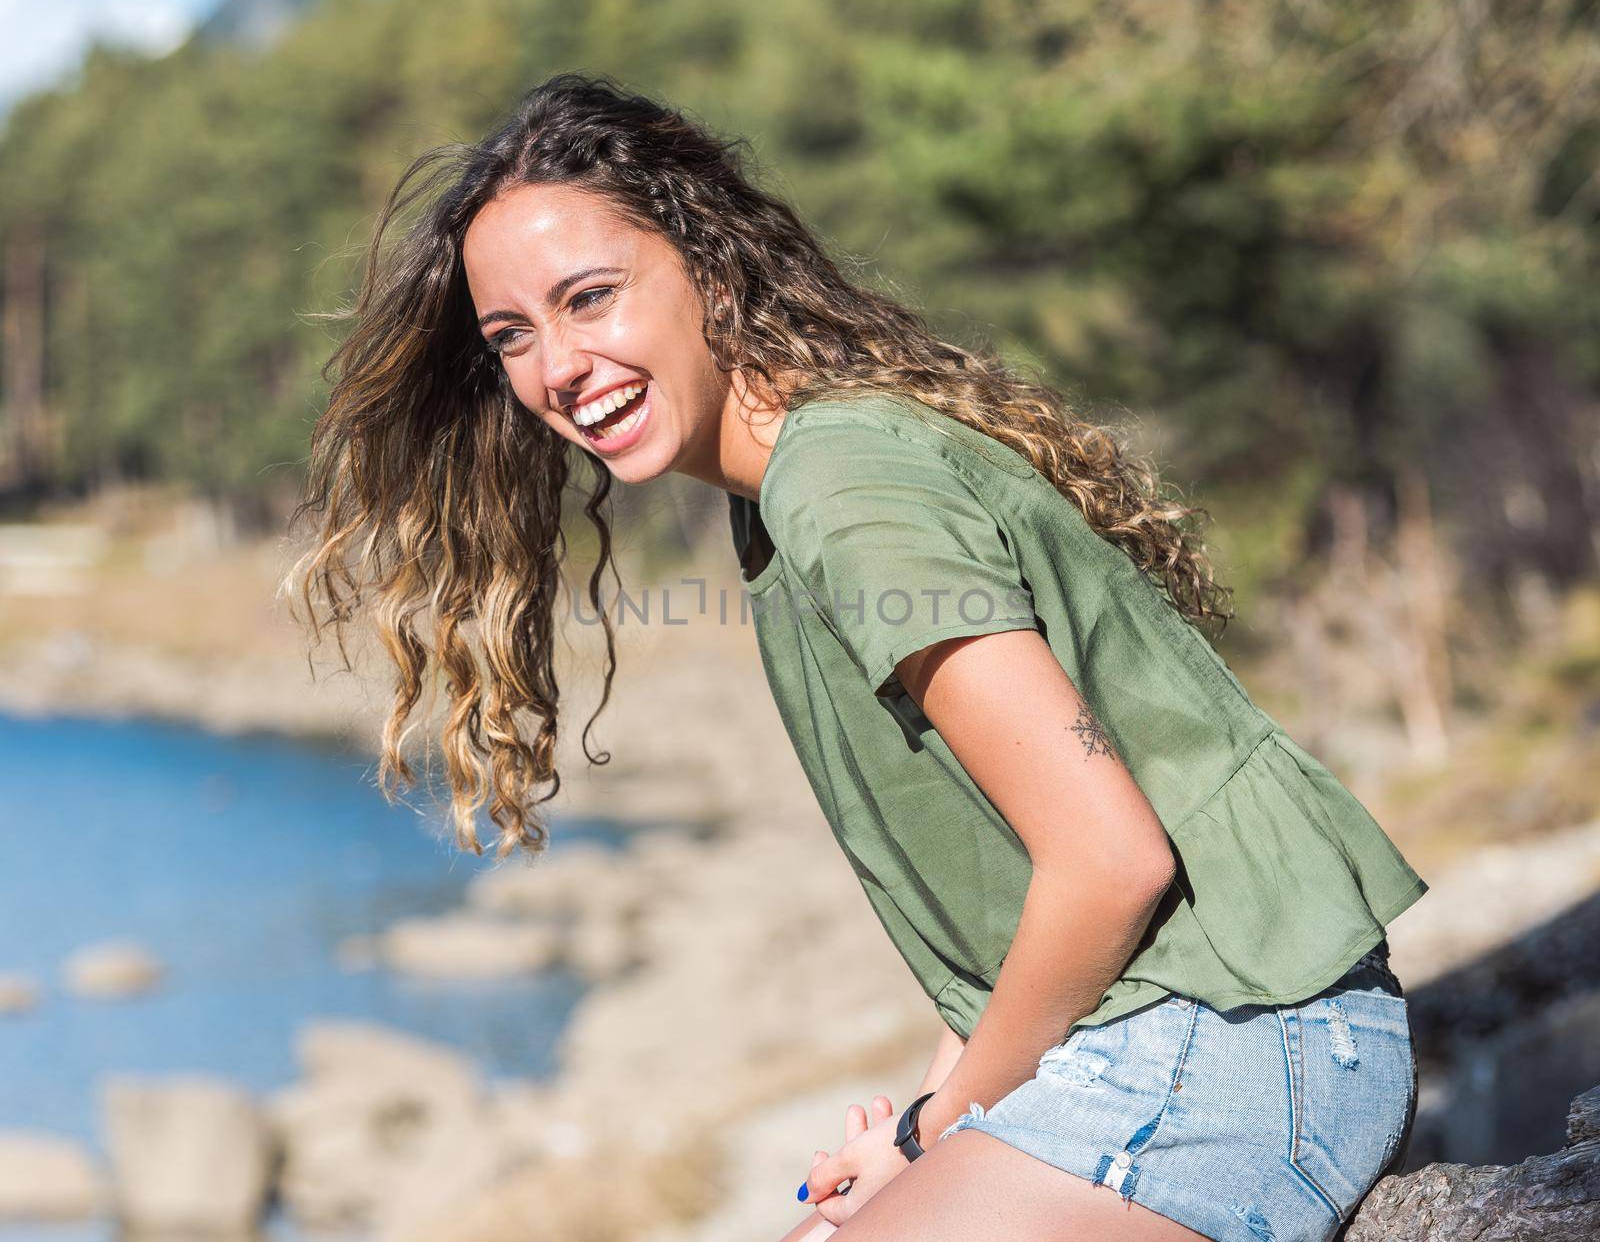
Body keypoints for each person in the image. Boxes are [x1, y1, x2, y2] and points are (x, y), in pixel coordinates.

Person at [286, 71, 1429, 1242]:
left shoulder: (841, 483)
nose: (558, 368)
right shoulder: (782, 496)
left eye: (591, 297)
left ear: (711, 271)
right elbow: (1001, 884)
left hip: (1239, 1040)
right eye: (513, 336)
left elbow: (1107, 856)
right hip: (1167, 1031)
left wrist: (942, 1130)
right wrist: (924, 1124)